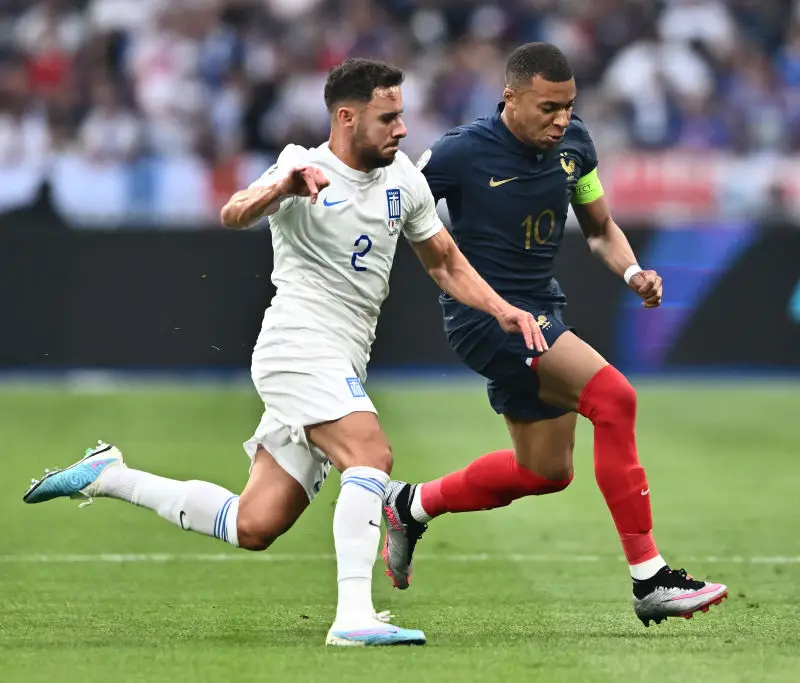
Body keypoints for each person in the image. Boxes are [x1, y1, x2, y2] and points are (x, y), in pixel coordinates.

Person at [22, 58, 547, 647]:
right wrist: (281, 187)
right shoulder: (304, 165)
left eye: (401, 115)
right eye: (388, 117)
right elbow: (232, 213)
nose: (402, 129)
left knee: (254, 524)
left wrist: (501, 308)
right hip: (296, 347)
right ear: (347, 118)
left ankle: (110, 475)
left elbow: (445, 262)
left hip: (341, 360)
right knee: (370, 453)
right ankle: (353, 617)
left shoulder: (404, 178)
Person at [379, 43, 728, 627]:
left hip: (543, 311)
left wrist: (633, 269)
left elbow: (600, 227)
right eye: (547, 107)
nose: (560, 119)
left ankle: (410, 505)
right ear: (510, 97)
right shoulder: (460, 152)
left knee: (544, 471)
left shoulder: (576, 146)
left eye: (568, 106)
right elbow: (394, 208)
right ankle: (650, 577)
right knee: (614, 398)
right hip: (486, 318)